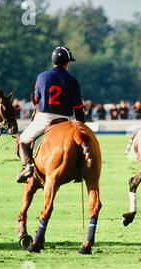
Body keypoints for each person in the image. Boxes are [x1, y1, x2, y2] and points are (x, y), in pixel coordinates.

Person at [16, 46, 85, 183]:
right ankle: (79, 169)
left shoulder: (42, 76)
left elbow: (36, 99)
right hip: (65, 120)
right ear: (66, 63)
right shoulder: (73, 80)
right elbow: (78, 107)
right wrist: (81, 125)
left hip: (45, 118)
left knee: (23, 139)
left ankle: (28, 167)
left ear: (53, 61)